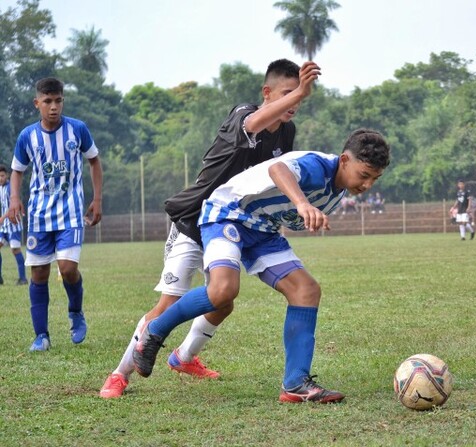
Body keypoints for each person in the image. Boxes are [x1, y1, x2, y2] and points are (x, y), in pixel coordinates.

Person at [100, 59, 321, 398]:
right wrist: (301, 92)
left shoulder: (287, 133)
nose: (295, 102)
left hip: (237, 225)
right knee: (167, 305)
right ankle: (119, 375)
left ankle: (184, 358)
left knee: (222, 301)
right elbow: (255, 123)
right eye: (287, 94)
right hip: (194, 221)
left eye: (299, 96)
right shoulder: (244, 115)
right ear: (267, 93)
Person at [132, 129, 391, 404]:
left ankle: (295, 383)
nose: (367, 186)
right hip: (228, 213)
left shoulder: (339, 188)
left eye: (374, 179)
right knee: (223, 291)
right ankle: (155, 331)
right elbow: (279, 169)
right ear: (344, 160)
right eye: (364, 175)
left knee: (306, 291)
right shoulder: (318, 166)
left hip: (263, 230)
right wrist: (303, 204)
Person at [7, 77, 103, 352]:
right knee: (38, 274)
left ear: (63, 101)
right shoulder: (28, 136)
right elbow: (17, 171)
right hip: (39, 215)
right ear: (37, 103)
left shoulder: (77, 130)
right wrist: (15, 198)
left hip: (71, 212)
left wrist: (97, 199)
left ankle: (75, 312)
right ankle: (42, 336)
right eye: (47, 101)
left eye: (58, 100)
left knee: (67, 268)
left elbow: (94, 160)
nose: (53, 107)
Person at [0, 164, 27, 285]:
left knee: (15, 250)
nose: (0, 178)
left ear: (7, 176)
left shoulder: (10, 187)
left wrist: (2, 217)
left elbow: (13, 204)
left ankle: (23, 278)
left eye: (2, 175)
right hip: (3, 226)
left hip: (13, 224)